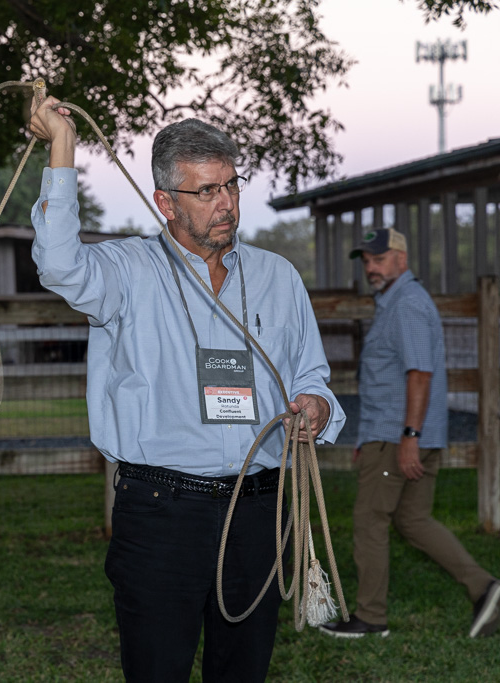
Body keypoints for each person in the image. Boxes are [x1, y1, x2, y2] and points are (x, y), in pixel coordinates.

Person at [27, 97, 344, 682]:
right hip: (161, 512)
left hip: (260, 511)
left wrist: (316, 405)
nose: (226, 204)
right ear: (166, 202)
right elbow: (60, 264)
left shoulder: (277, 277)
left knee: (243, 671)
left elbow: (309, 373)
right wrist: (62, 149)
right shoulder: (125, 271)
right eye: (206, 191)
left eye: (231, 185)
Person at [318, 228, 500, 639]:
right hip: (394, 434)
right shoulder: (398, 301)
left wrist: (409, 437)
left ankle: (370, 618)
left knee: (369, 522)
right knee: (413, 520)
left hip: (398, 436)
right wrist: (370, 438)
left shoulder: (407, 304)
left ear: (402, 258)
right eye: (367, 261)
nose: (371, 268)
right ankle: (485, 588)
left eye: (379, 259)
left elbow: (419, 374)